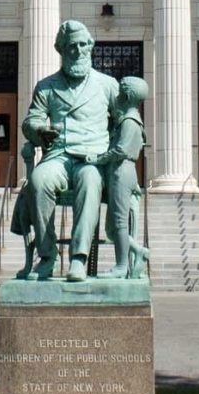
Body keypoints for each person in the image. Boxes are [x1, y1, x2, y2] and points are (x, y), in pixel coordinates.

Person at [14, 20, 118, 281]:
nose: (79, 50)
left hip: (93, 158)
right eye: (72, 46)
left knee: (90, 181)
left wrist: (121, 152)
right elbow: (30, 121)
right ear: (61, 49)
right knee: (38, 181)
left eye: (84, 45)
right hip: (58, 155)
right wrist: (40, 131)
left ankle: (79, 258)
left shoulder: (107, 85)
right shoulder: (46, 86)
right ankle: (47, 256)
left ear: (91, 47)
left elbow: (124, 120)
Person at [96, 75, 150, 279]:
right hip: (122, 171)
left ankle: (121, 265)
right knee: (111, 228)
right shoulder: (130, 119)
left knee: (119, 222)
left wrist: (97, 159)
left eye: (120, 92)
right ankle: (138, 251)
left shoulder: (129, 121)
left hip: (121, 171)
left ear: (127, 96)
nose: (117, 96)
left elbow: (120, 151)